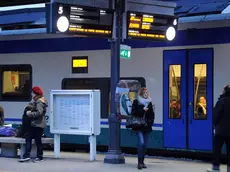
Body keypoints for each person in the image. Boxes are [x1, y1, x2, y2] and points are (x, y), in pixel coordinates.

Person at [19, 86, 48, 163]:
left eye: (32, 92)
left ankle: (39, 157)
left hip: (38, 124)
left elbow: (39, 113)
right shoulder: (38, 100)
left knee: (37, 140)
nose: (31, 94)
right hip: (35, 124)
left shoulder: (39, 101)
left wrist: (30, 114)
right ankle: (26, 156)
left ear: (35, 93)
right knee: (28, 138)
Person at [207, 85, 230, 172]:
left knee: (217, 149)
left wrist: (215, 124)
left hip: (220, 131)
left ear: (224, 91)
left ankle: (216, 167)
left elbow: (216, 115)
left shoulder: (221, 101)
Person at [131, 87, 155, 169]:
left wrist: (150, 123)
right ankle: (139, 163)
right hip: (138, 126)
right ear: (141, 94)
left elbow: (152, 115)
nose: (146, 94)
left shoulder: (149, 102)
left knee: (145, 145)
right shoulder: (136, 102)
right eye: (144, 93)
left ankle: (142, 162)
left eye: (147, 93)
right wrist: (142, 110)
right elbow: (133, 113)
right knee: (141, 143)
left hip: (146, 126)